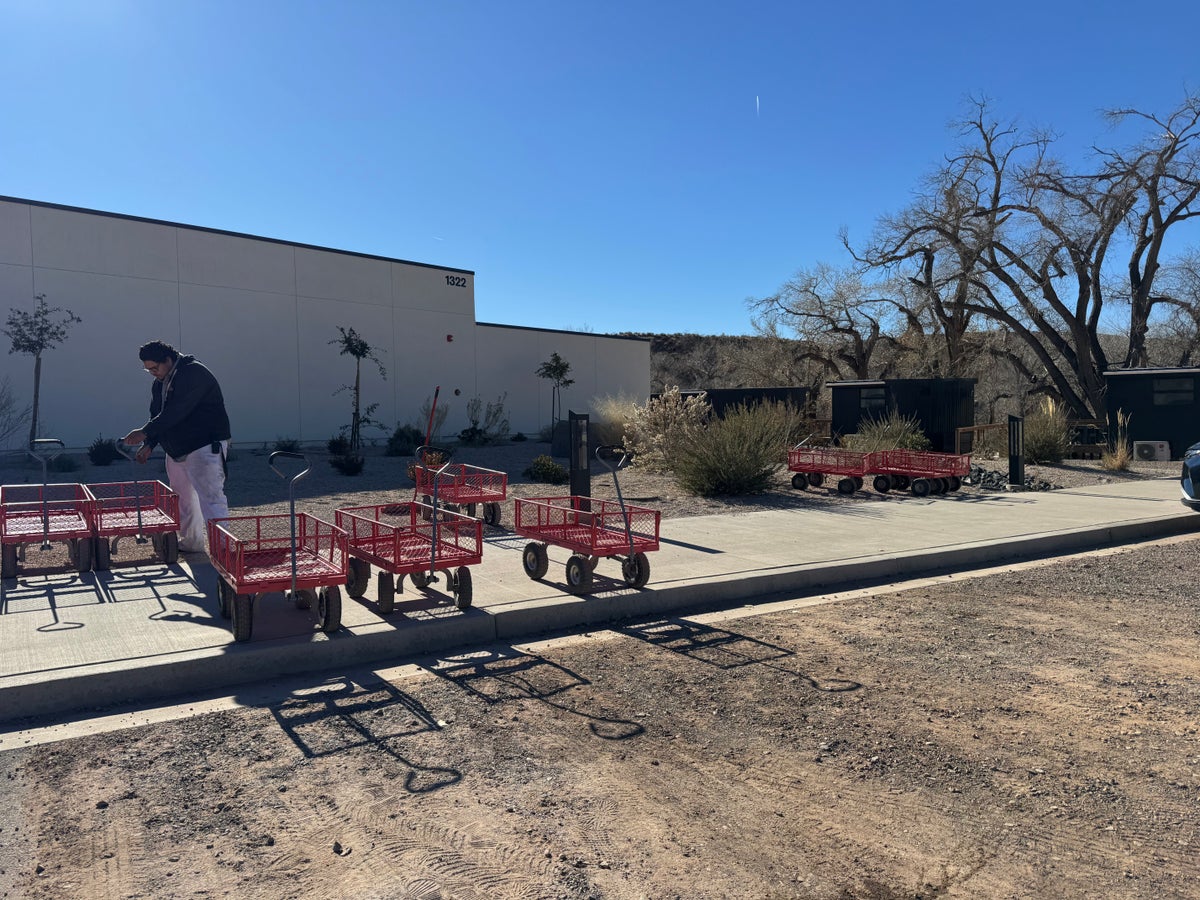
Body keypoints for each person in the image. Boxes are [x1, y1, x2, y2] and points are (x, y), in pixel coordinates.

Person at [124, 340, 231, 554]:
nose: (153, 373)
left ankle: (222, 551)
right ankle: (191, 543)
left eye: (155, 367)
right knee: (182, 497)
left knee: (211, 498)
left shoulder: (194, 373)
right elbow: (157, 414)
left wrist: (145, 431)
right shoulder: (160, 382)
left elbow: (177, 410)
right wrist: (149, 443)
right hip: (175, 448)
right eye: (148, 370)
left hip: (204, 443)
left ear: (168, 360)